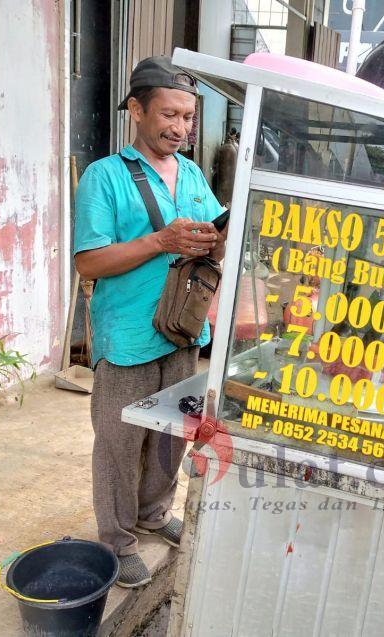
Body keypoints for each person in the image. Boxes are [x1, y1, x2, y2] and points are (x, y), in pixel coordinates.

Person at [73, 56, 226, 588]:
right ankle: (116, 541)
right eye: (169, 114)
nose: (180, 128)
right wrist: (162, 241)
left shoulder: (192, 174)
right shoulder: (104, 177)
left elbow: (214, 235)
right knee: (119, 444)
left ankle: (154, 513)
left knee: (173, 435)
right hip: (128, 335)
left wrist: (223, 236)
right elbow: (87, 262)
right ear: (136, 110)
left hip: (185, 330)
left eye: (188, 117)